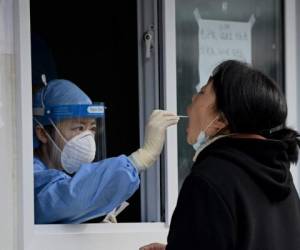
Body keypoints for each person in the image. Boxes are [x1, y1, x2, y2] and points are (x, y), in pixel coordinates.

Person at [140, 60, 300, 250]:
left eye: (201, 92)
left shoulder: (209, 180)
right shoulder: (280, 176)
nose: (192, 99)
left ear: (220, 120)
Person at [33, 78, 179, 224]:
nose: (87, 137)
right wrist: (139, 159)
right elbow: (65, 198)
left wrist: (91, 222)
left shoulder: (69, 175)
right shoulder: (31, 177)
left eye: (92, 129)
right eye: (79, 128)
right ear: (43, 133)